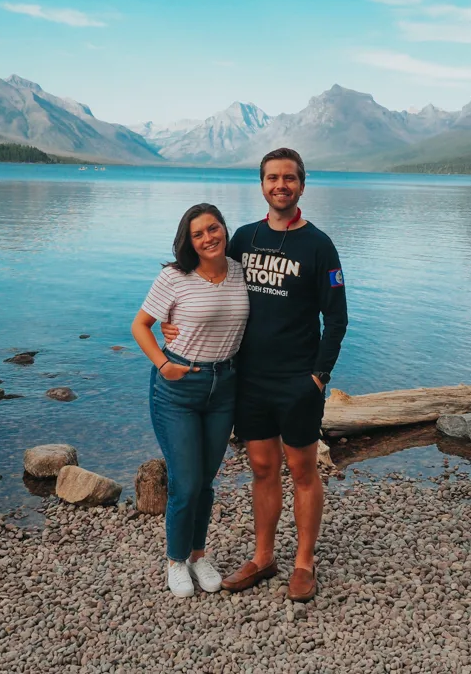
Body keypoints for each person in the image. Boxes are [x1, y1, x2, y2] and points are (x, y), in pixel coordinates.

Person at [162, 148, 348, 602]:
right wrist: (173, 320)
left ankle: (304, 563)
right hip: (248, 381)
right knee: (263, 469)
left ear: (302, 184)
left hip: (298, 381)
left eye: (289, 178)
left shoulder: (319, 245)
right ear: (261, 185)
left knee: (303, 470)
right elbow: (202, 274)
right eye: (271, 178)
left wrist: (320, 376)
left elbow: (337, 317)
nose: (280, 185)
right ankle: (264, 557)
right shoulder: (243, 237)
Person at [131, 203, 250, 598]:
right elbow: (141, 325)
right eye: (198, 234)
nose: (208, 238)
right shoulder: (174, 276)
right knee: (185, 481)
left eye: (213, 228)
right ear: (190, 241)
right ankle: (175, 561)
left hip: (225, 387)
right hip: (178, 388)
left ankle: (199, 555)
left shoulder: (240, 271)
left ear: (224, 229)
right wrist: (163, 363)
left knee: (207, 481)